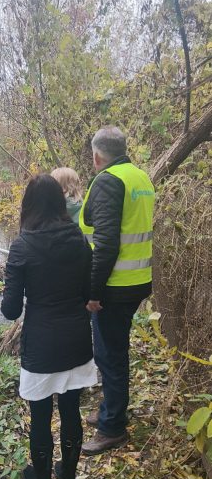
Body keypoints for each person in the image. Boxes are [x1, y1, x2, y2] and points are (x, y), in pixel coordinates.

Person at [1, 174, 95, 479]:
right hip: (77, 342)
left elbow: (10, 311)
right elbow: (88, 293)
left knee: (40, 417)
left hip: (41, 346)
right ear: (60, 203)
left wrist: (15, 277)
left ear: (28, 206)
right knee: (71, 412)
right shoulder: (81, 241)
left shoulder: (22, 245)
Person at [79, 126, 155, 455]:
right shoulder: (141, 178)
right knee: (114, 351)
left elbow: (107, 243)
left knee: (110, 356)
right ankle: (112, 410)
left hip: (114, 287)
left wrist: (93, 292)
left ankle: (113, 428)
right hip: (137, 281)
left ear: (97, 156)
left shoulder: (109, 181)